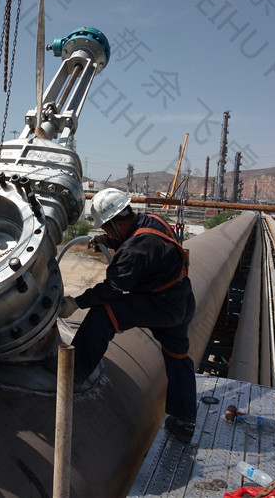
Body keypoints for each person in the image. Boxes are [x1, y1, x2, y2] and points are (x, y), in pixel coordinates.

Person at [60, 188, 197, 443]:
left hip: (159, 305)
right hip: (181, 301)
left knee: (104, 314)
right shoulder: (152, 221)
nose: (107, 232)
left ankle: (72, 375)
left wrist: (76, 302)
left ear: (116, 222)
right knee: (178, 357)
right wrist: (110, 242)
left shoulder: (134, 250)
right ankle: (185, 421)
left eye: (107, 229)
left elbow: (112, 288)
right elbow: (145, 245)